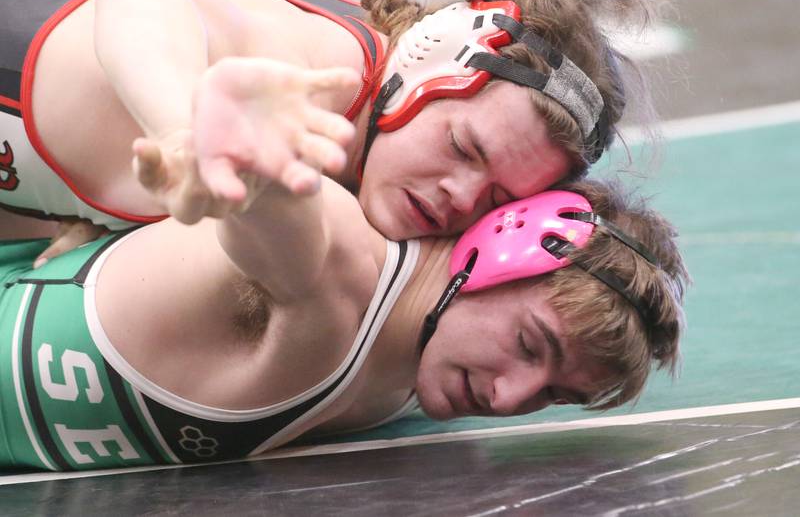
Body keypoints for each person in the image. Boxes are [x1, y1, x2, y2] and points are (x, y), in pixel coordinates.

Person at [0, 85, 688, 471]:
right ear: (492, 251)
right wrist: (249, 161)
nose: (511, 396)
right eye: (532, 346)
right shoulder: (340, 265)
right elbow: (287, 217)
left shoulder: (427, 365)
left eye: (555, 395)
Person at [0, 0, 655, 261]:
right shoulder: (318, 71)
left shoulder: (347, 185)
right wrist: (181, 127)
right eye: (462, 145)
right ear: (425, 63)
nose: (460, 196)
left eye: (495, 200)